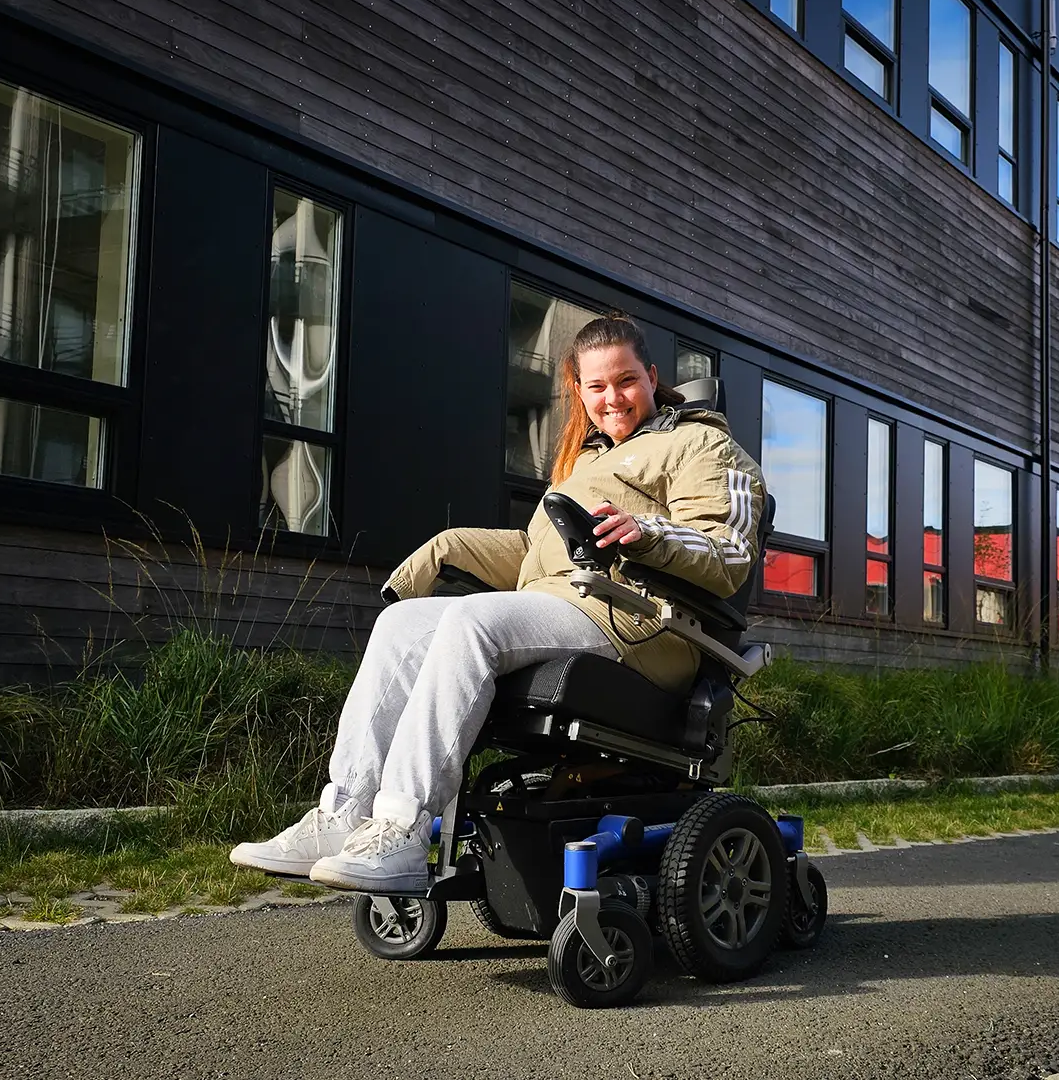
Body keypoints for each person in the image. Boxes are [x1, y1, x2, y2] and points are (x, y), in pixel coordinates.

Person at [230, 313, 766, 891]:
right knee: (401, 624)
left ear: (652, 376)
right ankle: (342, 814)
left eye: (626, 380)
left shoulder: (701, 443)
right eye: (596, 386)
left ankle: (401, 828)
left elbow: (729, 549)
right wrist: (444, 550)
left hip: (644, 624)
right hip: (567, 604)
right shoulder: (585, 462)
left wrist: (649, 534)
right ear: (579, 390)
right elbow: (537, 555)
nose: (613, 398)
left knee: (470, 620)